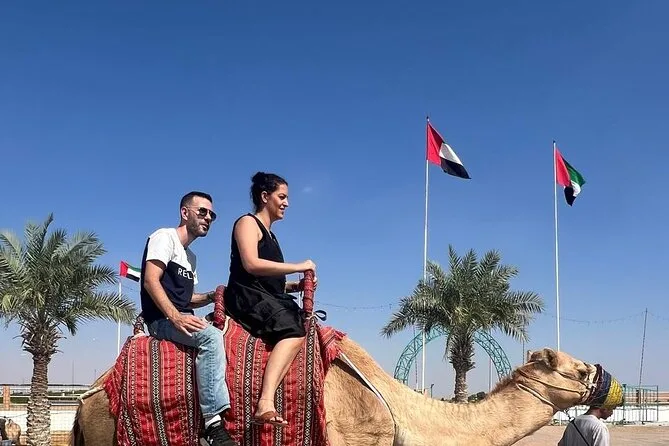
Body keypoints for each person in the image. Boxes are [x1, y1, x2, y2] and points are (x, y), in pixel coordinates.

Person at [140, 191, 237, 446]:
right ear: (184, 213)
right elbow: (150, 280)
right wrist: (175, 317)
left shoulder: (190, 257)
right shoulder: (164, 237)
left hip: (179, 316)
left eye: (212, 214)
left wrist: (213, 296)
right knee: (211, 337)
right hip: (161, 321)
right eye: (202, 211)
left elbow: (188, 299)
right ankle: (213, 424)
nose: (208, 218)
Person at [224, 172, 316, 427]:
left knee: (301, 321)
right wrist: (298, 266)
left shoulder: (271, 235)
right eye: (282, 197)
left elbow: (270, 281)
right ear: (265, 196)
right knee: (294, 331)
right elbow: (251, 265)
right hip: (246, 296)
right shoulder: (247, 223)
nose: (287, 203)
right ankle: (265, 402)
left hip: (264, 294)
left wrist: (297, 285)